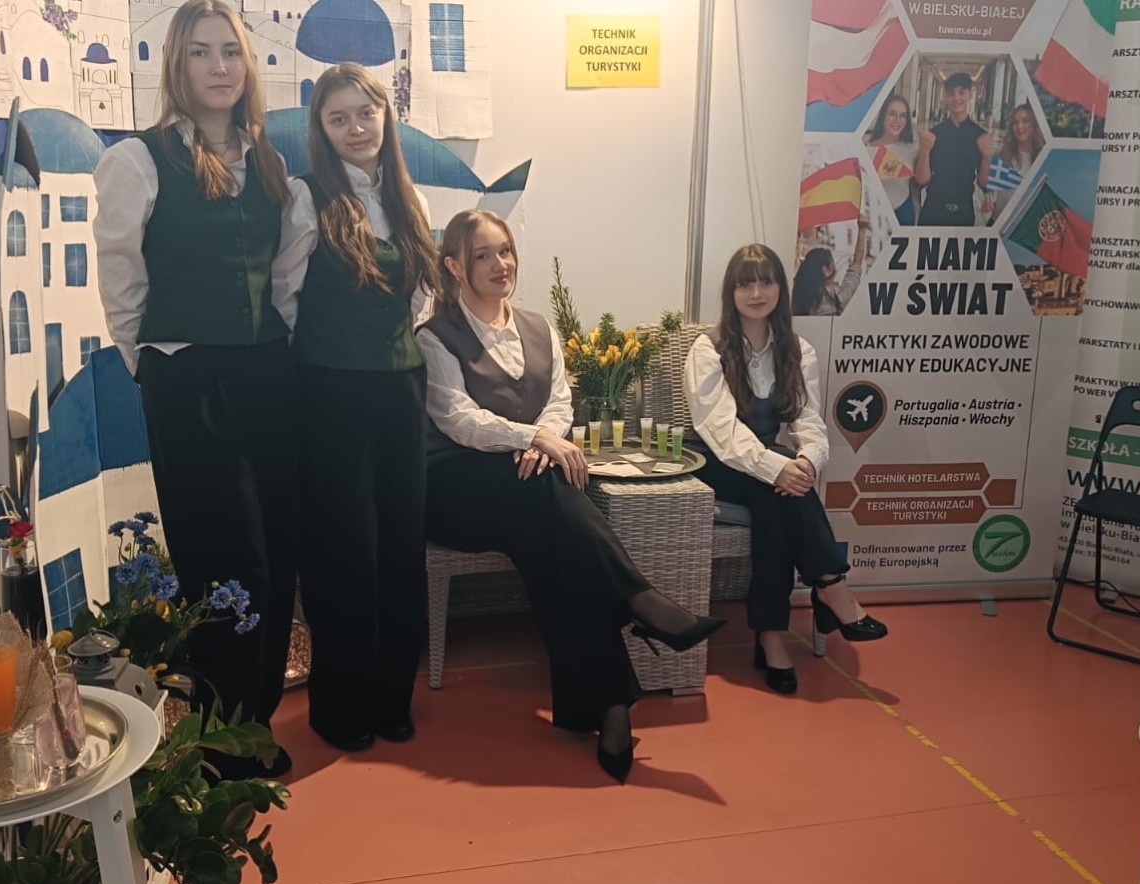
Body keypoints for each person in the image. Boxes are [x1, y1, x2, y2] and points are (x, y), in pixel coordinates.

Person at [418, 209, 725, 782]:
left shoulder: (539, 327)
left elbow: (560, 400)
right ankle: (638, 602)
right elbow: (457, 419)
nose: (500, 264)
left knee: (555, 549)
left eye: (505, 250)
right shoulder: (435, 336)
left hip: (527, 487)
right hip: (455, 487)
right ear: (454, 266)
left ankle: (609, 708)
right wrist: (533, 438)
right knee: (547, 491)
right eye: (482, 255)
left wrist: (548, 438)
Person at [93, 0, 295, 778]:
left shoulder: (266, 159)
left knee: (275, 553)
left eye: (231, 52)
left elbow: (282, 270)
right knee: (222, 559)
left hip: (265, 372)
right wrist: (148, 361)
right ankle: (217, 737)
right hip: (187, 377)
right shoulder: (139, 161)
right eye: (201, 53)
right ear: (177, 65)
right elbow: (121, 276)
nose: (219, 67)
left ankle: (254, 724)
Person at [272, 63, 440, 751]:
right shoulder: (306, 196)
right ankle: (342, 709)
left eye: (365, 113)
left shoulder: (409, 197)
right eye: (338, 118)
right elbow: (284, 296)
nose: (355, 128)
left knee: (400, 546)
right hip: (331, 392)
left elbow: (421, 298)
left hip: (400, 390)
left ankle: (391, 699)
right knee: (342, 551)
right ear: (321, 128)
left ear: (385, 116)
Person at [686, 244, 889, 695]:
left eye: (766, 282)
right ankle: (831, 587)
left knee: (776, 501)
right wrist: (776, 468)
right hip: (717, 460)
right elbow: (720, 429)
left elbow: (807, 419)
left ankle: (772, 636)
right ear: (731, 292)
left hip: (764, 459)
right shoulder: (708, 348)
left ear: (781, 287)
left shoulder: (798, 350)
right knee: (776, 489)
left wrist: (807, 460)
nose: (756, 293)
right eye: (745, 284)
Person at [916, 71, 992, 227]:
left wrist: (987, 156)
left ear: (970, 94)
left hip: (963, 212)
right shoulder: (934, 134)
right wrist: (924, 151)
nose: (956, 98)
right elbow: (921, 180)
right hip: (932, 210)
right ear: (946, 97)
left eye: (962, 92)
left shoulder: (980, 136)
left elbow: (984, 183)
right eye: (951, 93)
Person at [791, 211, 869, 316]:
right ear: (825, 270)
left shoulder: (796, 298)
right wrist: (862, 229)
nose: (836, 268)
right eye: (833, 264)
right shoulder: (839, 297)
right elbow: (857, 263)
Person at [866, 94, 920, 225]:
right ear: (883, 116)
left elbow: (919, 183)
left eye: (903, 116)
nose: (897, 120)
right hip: (875, 215)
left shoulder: (913, 147)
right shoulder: (867, 149)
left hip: (903, 213)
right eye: (892, 114)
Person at [988, 103, 1043, 224]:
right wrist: (988, 200)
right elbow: (991, 190)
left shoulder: (1042, 157)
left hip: (1026, 226)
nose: (1020, 126)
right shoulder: (1002, 154)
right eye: (1015, 122)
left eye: (1025, 121)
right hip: (999, 224)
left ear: (1034, 124)